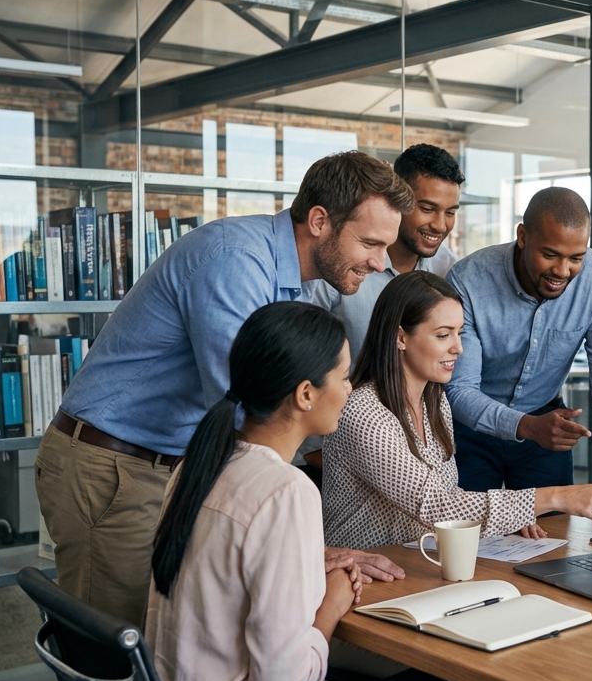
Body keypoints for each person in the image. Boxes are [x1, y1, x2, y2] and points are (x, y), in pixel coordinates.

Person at [36, 152, 413, 626]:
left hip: (167, 469)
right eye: (370, 243)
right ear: (320, 220)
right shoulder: (236, 262)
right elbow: (252, 414)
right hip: (115, 471)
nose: (381, 263)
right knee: (123, 666)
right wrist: (296, 544)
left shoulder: (293, 279)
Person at [145, 301, 504, 681]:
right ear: (306, 394)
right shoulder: (286, 489)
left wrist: (306, 559)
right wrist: (331, 604)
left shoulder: (202, 464)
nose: (351, 388)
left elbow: (224, 562)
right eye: (344, 376)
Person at [444, 187, 592, 681]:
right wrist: (523, 426)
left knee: (554, 570)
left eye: (575, 257)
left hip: (545, 427)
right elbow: (459, 391)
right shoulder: (470, 279)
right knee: (485, 569)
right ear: (523, 236)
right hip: (474, 432)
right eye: (552, 254)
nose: (564, 270)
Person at [323, 270, 592, 550]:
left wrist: (510, 517)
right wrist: (555, 497)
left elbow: (447, 502)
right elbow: (436, 506)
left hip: (415, 567)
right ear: (401, 337)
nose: (458, 348)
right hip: (362, 578)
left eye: (459, 333)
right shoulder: (364, 412)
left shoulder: (435, 402)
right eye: (443, 334)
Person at [317, 143, 464, 361]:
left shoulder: (448, 269)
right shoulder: (341, 263)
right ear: (398, 199)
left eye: (450, 212)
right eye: (427, 209)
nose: (440, 226)